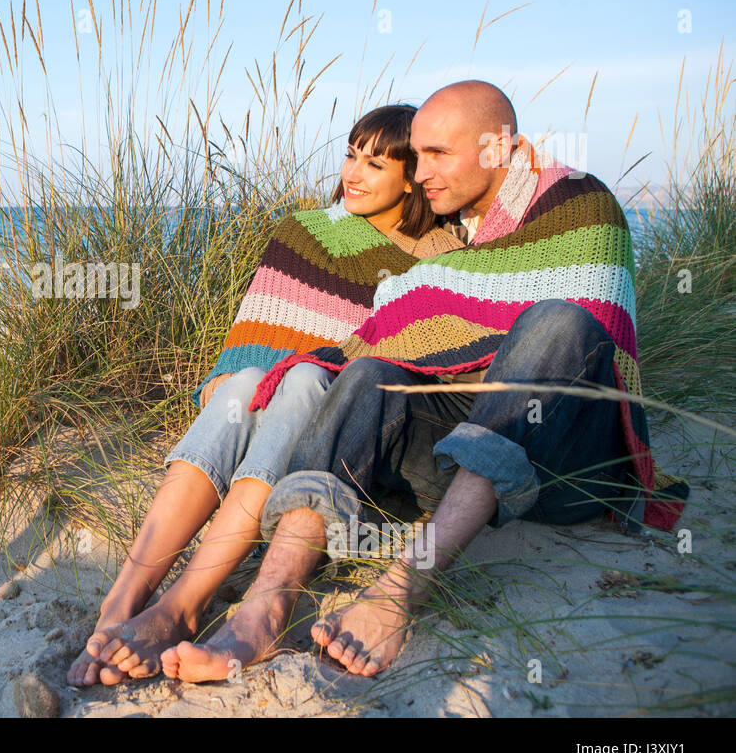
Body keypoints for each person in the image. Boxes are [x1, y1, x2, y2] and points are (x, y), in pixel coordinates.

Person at [156, 80, 690, 683]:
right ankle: (269, 599)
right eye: (418, 153)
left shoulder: (575, 200)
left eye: (438, 154)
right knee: (367, 371)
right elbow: (406, 316)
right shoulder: (453, 233)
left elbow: (574, 322)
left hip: (568, 458)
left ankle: (397, 593)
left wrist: (431, 292)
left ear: (498, 149)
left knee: (558, 319)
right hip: (461, 455)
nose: (423, 170)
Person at [67, 104, 464, 687]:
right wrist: (242, 392)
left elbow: (404, 369)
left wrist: (305, 370)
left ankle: (184, 602)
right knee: (251, 382)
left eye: (375, 163)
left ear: (412, 177)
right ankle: (124, 597)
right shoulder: (304, 232)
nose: (352, 172)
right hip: (261, 416)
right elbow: (253, 345)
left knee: (303, 378)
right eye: (350, 154)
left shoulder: (438, 259)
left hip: (340, 455)